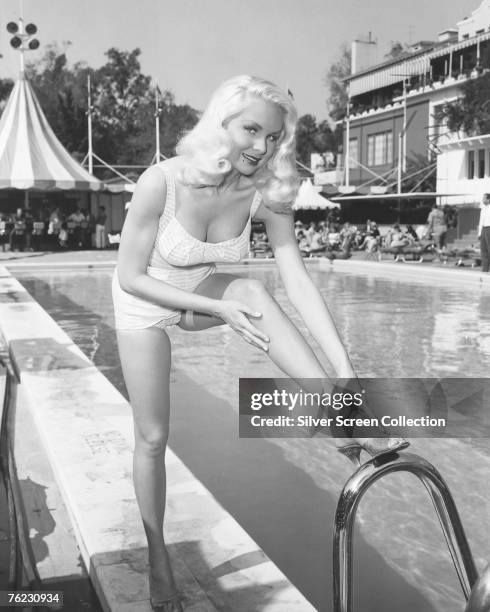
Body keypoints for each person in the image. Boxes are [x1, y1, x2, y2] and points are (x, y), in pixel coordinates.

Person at [112, 75, 408, 611]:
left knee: (253, 288)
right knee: (152, 438)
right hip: (145, 302)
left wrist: (347, 372)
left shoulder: (266, 193)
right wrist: (217, 308)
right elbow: (131, 276)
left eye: (273, 138)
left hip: (200, 291)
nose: (261, 147)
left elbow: (297, 281)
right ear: (220, 123)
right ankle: (158, 554)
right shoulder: (163, 181)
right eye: (251, 130)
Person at [478, 193, 490, 273]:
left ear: (488, 199)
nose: (482, 200)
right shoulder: (483, 209)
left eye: (484, 198)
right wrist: (479, 233)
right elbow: (481, 221)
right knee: (483, 250)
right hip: (484, 229)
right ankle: (485, 269)